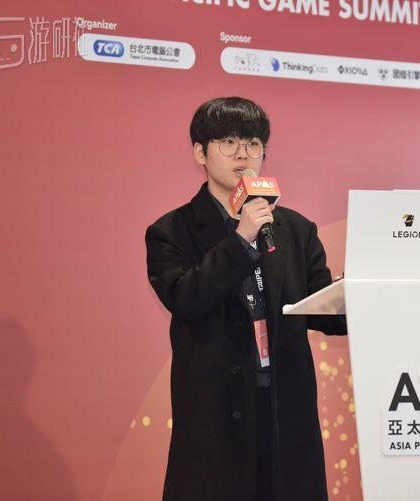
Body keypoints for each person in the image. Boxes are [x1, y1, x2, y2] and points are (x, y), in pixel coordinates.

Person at [145, 97, 347, 501]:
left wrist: (361, 294)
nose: (243, 153)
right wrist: (241, 240)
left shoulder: (295, 229)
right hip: (217, 413)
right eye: (228, 142)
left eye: (253, 143)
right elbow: (186, 298)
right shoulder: (171, 231)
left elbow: (323, 311)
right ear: (199, 152)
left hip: (283, 410)